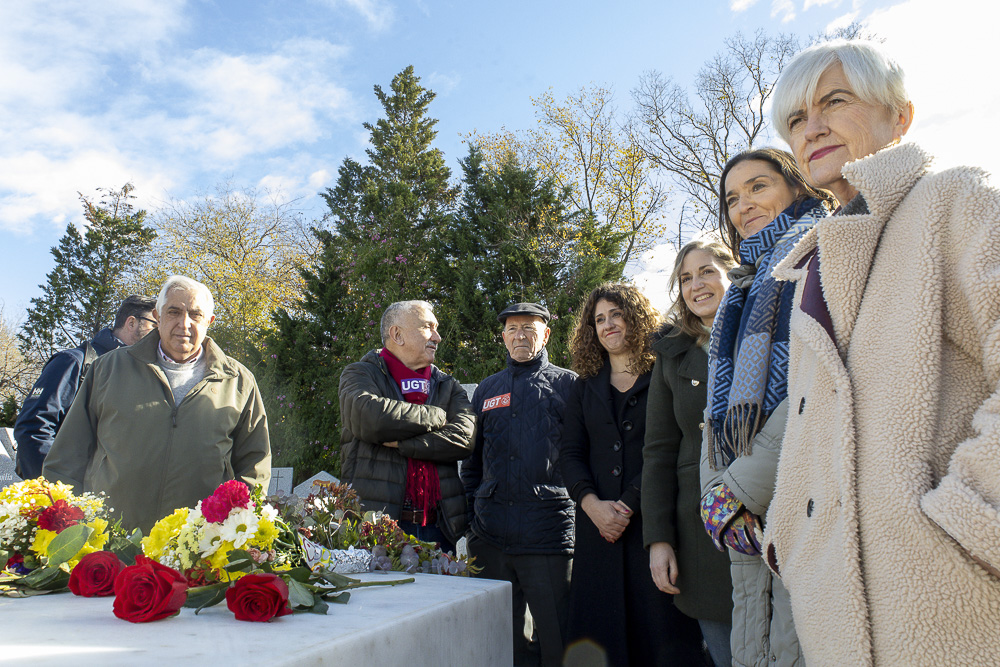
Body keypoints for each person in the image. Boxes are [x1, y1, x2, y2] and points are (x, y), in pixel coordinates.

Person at [761, 40, 1000, 665]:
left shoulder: (957, 201)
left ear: (900, 116)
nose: (811, 129)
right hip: (837, 615)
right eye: (794, 121)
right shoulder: (816, 261)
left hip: (952, 611)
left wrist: (973, 525)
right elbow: (813, 429)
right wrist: (787, 538)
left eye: (834, 102)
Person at [699, 148, 833, 667]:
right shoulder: (743, 288)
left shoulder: (821, 256)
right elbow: (716, 413)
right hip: (739, 504)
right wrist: (716, 494)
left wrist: (733, 489)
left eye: (758, 187)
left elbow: (814, 388)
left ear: (796, 187)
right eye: (732, 198)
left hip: (801, 489)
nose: (743, 206)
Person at [43, 276, 270, 533]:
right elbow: (67, 455)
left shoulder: (238, 381)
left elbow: (254, 465)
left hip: (198, 546)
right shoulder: (108, 369)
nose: (184, 324)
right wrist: (68, 529)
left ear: (209, 322)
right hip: (111, 541)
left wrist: (236, 531)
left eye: (196, 315)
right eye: (174, 312)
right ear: (157, 317)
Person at [560, 284, 704, 666]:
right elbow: (569, 454)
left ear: (635, 317)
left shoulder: (664, 371)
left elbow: (671, 448)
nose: (608, 325)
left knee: (662, 636)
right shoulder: (583, 387)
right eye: (599, 319)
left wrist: (628, 505)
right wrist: (591, 505)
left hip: (655, 527)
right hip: (598, 531)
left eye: (616, 314)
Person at [462, 303, 576, 667]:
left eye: (529, 328)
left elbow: (584, 457)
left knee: (557, 640)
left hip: (549, 536)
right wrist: (470, 520)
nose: (520, 335)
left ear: (545, 335)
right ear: (503, 337)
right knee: (502, 641)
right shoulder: (488, 389)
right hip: (491, 536)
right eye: (512, 329)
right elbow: (473, 463)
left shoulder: (568, 385)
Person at [642, 239, 737, 667]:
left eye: (706, 272)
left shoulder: (770, 331)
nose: (696, 285)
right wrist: (659, 540)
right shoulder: (671, 353)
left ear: (731, 273)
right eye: (685, 278)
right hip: (701, 535)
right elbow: (658, 451)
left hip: (775, 521)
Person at [339, 300, 475, 553]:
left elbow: (463, 439)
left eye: (436, 328)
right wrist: (435, 416)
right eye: (427, 327)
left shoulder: (447, 384)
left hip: (438, 528)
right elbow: (369, 418)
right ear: (397, 334)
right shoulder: (360, 374)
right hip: (378, 527)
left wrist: (403, 443)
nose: (438, 337)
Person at [15, 295, 157, 479]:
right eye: (155, 326)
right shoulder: (75, 362)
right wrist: (57, 491)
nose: (160, 335)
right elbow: (34, 428)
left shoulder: (142, 375)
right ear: (131, 323)